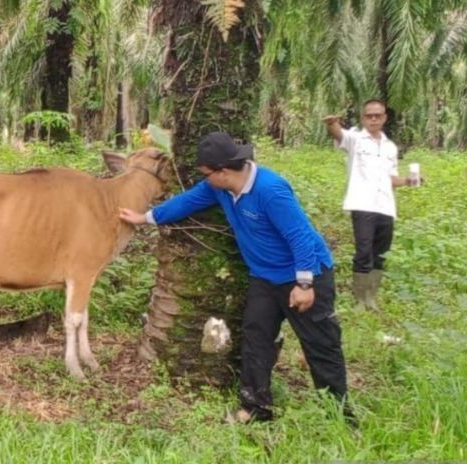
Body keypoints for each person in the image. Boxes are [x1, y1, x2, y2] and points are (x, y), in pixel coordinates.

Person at [119, 132, 348, 423]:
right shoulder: (219, 189)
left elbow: (300, 236)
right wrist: (147, 217)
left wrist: (304, 283)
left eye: (206, 173)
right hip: (264, 277)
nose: (204, 179)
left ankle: (339, 415)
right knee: (256, 339)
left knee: (320, 343)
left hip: (305, 275)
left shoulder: (270, 190)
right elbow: (187, 201)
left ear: (224, 172)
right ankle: (255, 408)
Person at [323, 99, 418, 311]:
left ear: (384, 117)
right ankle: (359, 299)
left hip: (385, 205)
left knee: (380, 253)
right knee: (363, 251)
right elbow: (339, 134)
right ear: (363, 118)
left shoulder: (390, 147)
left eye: (377, 115)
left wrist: (408, 181)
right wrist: (332, 123)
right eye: (369, 115)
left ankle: (371, 298)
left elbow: (391, 178)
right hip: (362, 204)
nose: (373, 119)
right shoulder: (355, 139)